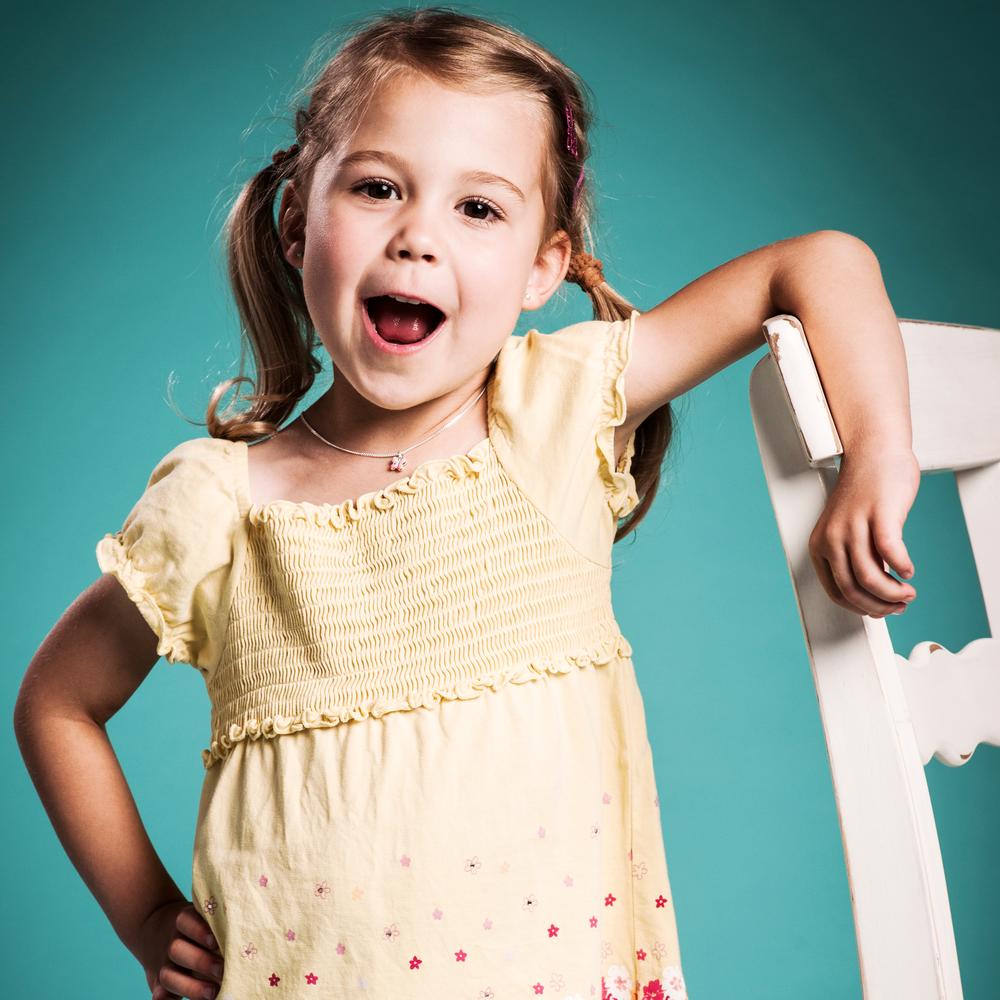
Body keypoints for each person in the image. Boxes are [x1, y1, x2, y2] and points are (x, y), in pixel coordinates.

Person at [14, 7, 921, 1000]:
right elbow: (56, 703)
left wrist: (877, 456)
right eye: (376, 188)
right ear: (296, 224)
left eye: (478, 208)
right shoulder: (220, 504)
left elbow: (821, 262)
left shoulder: (551, 412)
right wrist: (148, 918)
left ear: (542, 267)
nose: (416, 238)